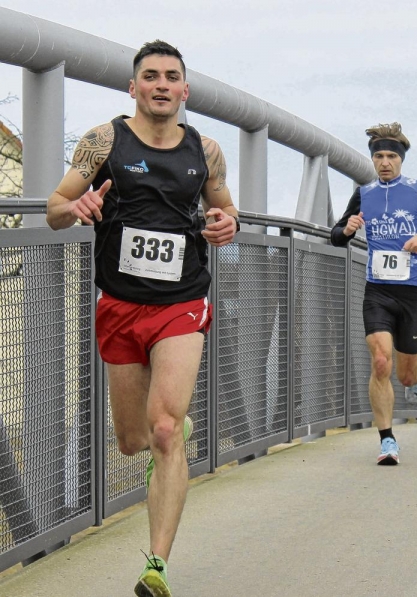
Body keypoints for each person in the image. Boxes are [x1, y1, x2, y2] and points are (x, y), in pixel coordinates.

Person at [46, 40, 239, 597]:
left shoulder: (206, 150)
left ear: (184, 89)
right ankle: (164, 446)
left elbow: (228, 212)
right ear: (133, 87)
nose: (160, 84)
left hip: (182, 299)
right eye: (149, 76)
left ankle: (156, 565)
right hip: (120, 303)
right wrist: (76, 207)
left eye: (171, 77)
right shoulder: (103, 140)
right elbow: (56, 208)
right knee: (131, 440)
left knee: (163, 427)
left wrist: (226, 225)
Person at [330, 122, 417, 466]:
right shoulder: (364, 193)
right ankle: (387, 440)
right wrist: (346, 228)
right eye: (378, 156)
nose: (384, 162)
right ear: (373, 160)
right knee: (380, 360)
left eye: (390, 156)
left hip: (412, 293)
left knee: (405, 373)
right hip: (378, 290)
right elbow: (336, 236)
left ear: (401, 159)